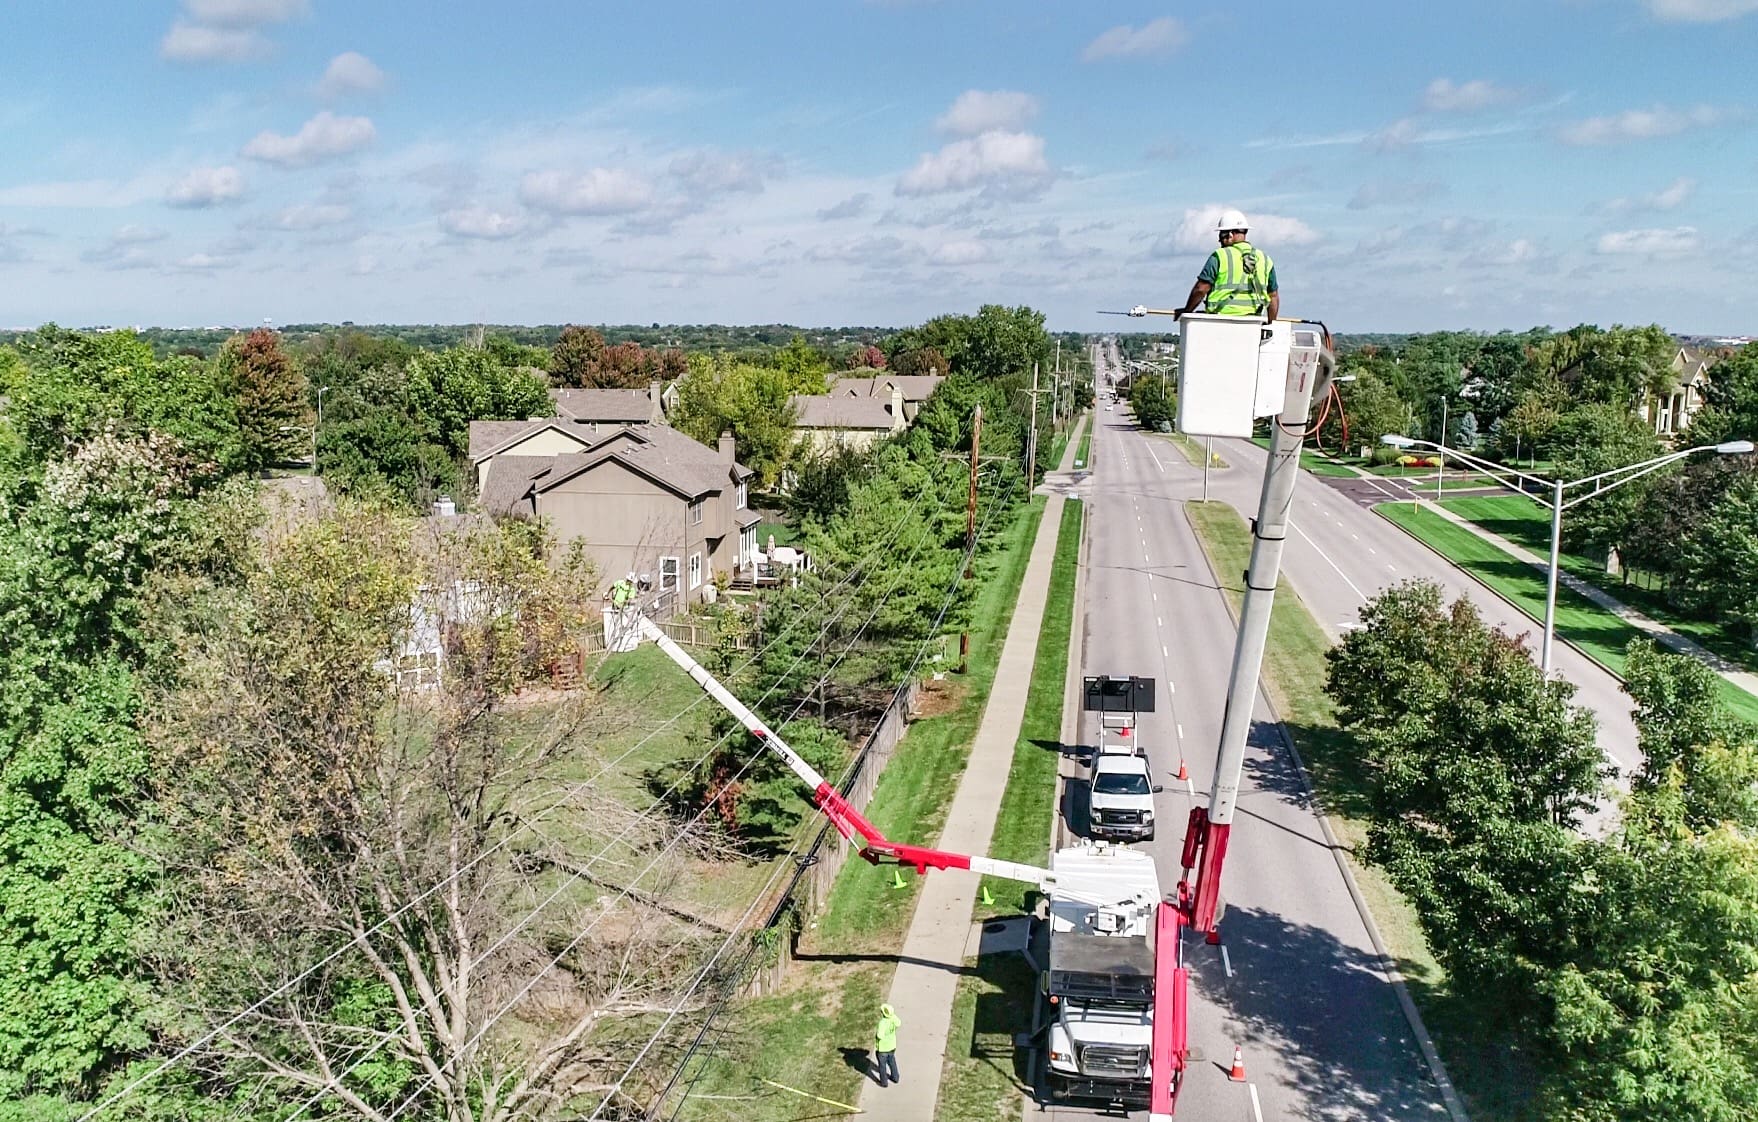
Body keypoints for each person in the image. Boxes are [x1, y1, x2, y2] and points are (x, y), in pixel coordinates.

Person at [1175, 208, 1278, 322]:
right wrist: (1270, 325)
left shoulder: (1220, 256)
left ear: (1229, 234)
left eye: (1220, 236)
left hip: (1220, 322)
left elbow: (1201, 289)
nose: (1220, 241)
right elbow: (1273, 297)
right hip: (1252, 324)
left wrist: (1187, 311)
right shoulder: (1265, 259)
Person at [873, 1002, 901, 1087]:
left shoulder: (882, 1023)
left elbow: (880, 1036)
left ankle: (884, 1082)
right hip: (892, 1046)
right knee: (892, 1062)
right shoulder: (893, 1019)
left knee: (882, 1066)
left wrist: (877, 1035)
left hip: (883, 1049)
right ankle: (895, 1077)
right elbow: (899, 1023)